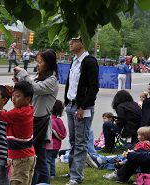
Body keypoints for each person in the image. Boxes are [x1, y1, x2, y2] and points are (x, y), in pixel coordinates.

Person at [14, 49, 59, 185]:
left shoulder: (52, 81)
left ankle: (44, 182)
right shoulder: (38, 78)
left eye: (40, 62)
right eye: (37, 61)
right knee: (31, 157)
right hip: (31, 121)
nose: (37, 64)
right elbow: (29, 91)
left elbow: (34, 89)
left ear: (48, 63)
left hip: (41, 123)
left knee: (39, 159)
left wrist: (23, 74)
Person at [64, 36, 99, 185]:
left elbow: (94, 87)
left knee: (81, 142)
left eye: (74, 40)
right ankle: (73, 171)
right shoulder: (74, 60)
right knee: (73, 140)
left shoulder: (89, 62)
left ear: (82, 42)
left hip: (82, 107)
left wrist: (82, 107)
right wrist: (67, 102)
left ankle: (76, 176)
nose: (70, 43)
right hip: (70, 105)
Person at [46, 99, 67, 180]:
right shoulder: (59, 121)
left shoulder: (49, 120)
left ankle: (47, 177)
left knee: (47, 160)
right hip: (57, 145)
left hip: (49, 145)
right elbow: (63, 133)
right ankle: (52, 174)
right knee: (52, 160)